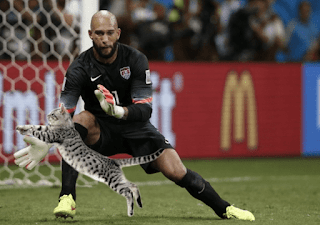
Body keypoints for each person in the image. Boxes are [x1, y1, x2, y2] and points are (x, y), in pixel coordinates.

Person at [14, 10, 255, 221]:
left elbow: (144, 108)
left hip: (136, 128)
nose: (105, 39)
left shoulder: (136, 60)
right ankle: (67, 198)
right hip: (101, 131)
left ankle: (226, 209)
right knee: (80, 120)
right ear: (90, 34)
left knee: (176, 171)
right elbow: (64, 112)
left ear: (118, 33)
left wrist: (118, 111)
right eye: (99, 33)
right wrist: (47, 141)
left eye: (109, 32)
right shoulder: (79, 67)